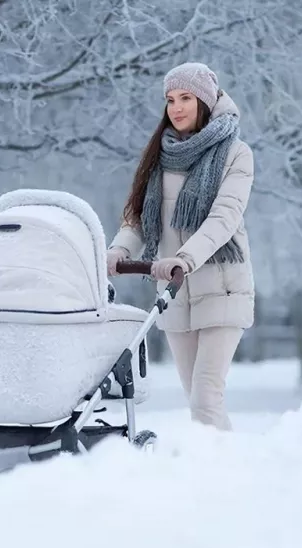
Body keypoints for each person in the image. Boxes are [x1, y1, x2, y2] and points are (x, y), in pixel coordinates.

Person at [106, 62, 255, 431]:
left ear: (204, 101)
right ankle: (227, 469)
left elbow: (225, 217)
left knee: (206, 398)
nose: (176, 107)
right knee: (198, 402)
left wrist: (185, 258)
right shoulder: (160, 154)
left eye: (186, 98)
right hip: (173, 291)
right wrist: (119, 250)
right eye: (170, 99)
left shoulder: (236, 153)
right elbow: (139, 216)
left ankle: (219, 479)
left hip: (222, 287)